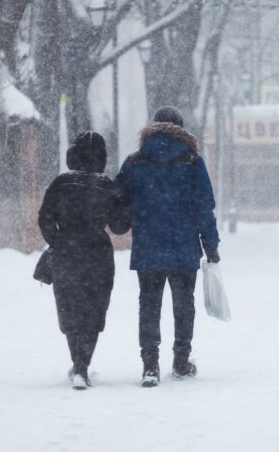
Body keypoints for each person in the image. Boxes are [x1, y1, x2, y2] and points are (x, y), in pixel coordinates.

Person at [115, 106, 221, 388]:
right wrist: (211, 245)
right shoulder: (191, 161)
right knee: (184, 306)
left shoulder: (135, 162)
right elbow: (204, 206)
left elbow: (117, 198)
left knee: (148, 305)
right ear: (181, 128)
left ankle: (150, 365)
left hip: (148, 247)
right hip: (183, 246)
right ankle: (181, 361)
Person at [37, 131, 130, 390]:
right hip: (98, 254)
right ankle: (82, 365)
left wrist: (58, 241)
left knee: (69, 307)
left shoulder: (61, 183)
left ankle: (77, 363)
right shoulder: (107, 185)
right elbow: (120, 227)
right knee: (93, 309)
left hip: (66, 254)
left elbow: (45, 216)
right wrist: (127, 204)